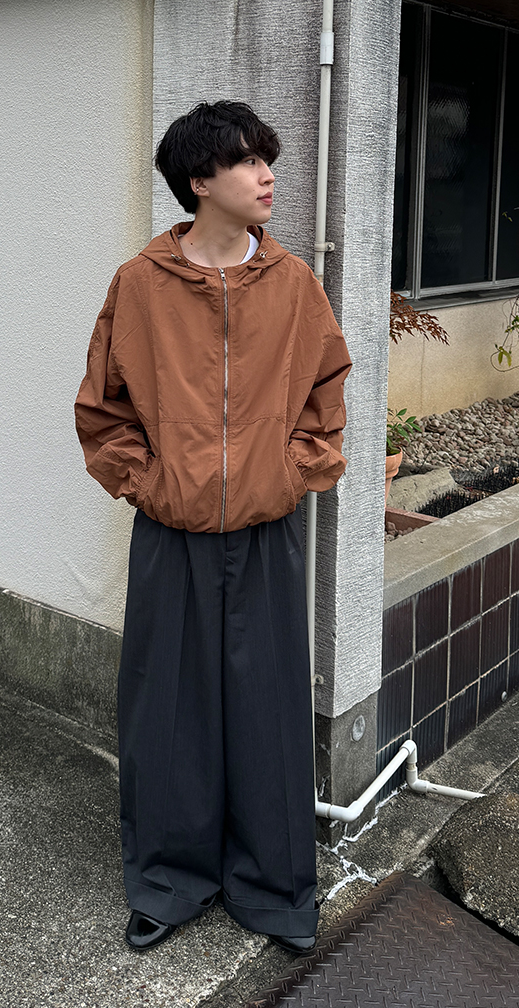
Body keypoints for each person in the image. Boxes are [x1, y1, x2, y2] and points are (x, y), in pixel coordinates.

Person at [74, 100, 351, 954]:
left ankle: (274, 887)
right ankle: (168, 878)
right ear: (200, 181)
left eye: (267, 159)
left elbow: (326, 395)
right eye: (247, 161)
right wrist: (152, 484)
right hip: (173, 533)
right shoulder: (139, 284)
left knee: (270, 712)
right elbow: (103, 409)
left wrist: (287, 474)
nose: (267, 176)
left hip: (266, 532)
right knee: (167, 711)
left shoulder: (294, 284)